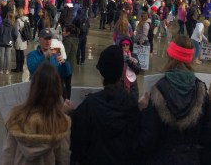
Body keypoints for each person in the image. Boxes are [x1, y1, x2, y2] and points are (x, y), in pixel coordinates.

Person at [137, 35, 211, 164]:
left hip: (162, 158)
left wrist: (142, 110)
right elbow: (206, 136)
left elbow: (148, 139)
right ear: (190, 59)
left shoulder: (157, 89)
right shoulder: (201, 89)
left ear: (170, 56)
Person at [70, 45, 140, 165]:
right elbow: (137, 144)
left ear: (101, 74)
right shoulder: (132, 104)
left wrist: (72, 113)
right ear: (121, 72)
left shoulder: (88, 106)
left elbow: (77, 148)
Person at [1, 62, 71, 165]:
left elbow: (8, 153)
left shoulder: (16, 117)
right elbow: (63, 157)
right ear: (57, 90)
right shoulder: (60, 122)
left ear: (33, 87)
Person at [11, 8, 29, 73]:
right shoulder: (26, 19)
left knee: (18, 53)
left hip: (19, 38)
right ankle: (21, 67)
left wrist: (14, 38)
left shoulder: (18, 20)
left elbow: (16, 31)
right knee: (22, 53)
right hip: (24, 38)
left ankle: (17, 68)